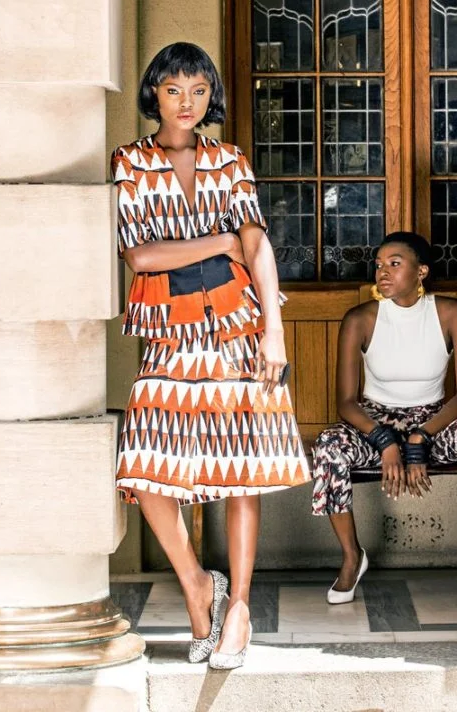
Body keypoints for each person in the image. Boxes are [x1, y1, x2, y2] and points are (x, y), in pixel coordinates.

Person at [114, 42, 311, 669]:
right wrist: (220, 240)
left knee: (241, 469)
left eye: (198, 91)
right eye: (174, 90)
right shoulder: (130, 163)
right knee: (144, 467)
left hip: (237, 326)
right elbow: (140, 256)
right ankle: (198, 584)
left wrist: (274, 331)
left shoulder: (230, 160)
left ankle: (239, 608)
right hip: (170, 332)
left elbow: (257, 247)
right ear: (154, 93)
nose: (187, 102)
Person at [310, 232, 457, 613]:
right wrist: (384, 440)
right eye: (379, 265)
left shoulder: (451, 312)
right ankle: (351, 556)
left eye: (394, 264)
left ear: (421, 272)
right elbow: (345, 402)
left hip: (433, 422)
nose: (383, 272)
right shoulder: (360, 319)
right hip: (374, 424)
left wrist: (421, 437)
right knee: (329, 445)